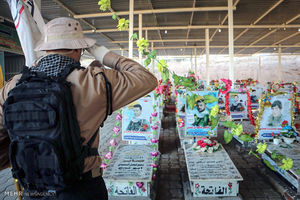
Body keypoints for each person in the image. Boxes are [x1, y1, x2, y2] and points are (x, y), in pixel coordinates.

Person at [0, 17, 157, 199]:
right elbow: (146, 79)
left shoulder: (14, 86)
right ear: (79, 48)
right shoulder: (96, 82)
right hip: (82, 189)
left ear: (45, 48)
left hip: (33, 189)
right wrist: (104, 54)